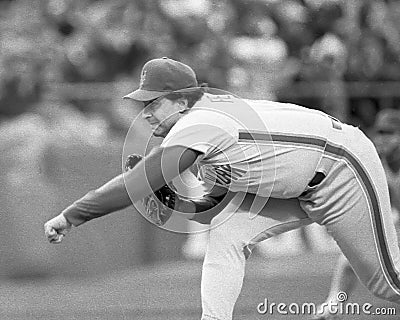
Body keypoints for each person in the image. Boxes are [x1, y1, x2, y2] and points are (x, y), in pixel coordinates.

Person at [44, 57, 400, 320]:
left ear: (183, 100)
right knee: (227, 234)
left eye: (153, 102)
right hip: (299, 185)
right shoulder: (200, 128)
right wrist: (169, 190)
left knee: (387, 285)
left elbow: (133, 185)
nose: (146, 111)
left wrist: (71, 216)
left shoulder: (203, 123)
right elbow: (211, 201)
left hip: (341, 167)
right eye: (144, 102)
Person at [314, 108, 400, 320]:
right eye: (379, 132)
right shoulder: (376, 160)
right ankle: (334, 304)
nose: (382, 138)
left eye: (389, 132)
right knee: (352, 255)